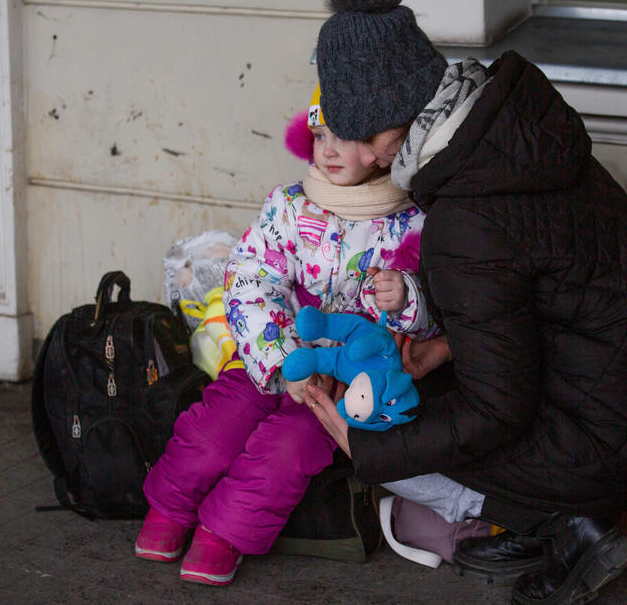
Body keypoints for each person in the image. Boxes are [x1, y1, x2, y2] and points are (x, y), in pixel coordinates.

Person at [304, 0, 627, 604]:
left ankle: (571, 527)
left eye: (362, 136)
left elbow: (497, 411)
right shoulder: (512, 130)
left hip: (615, 445)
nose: (368, 157)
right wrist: (453, 343)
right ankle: (555, 515)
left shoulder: (466, 220)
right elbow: (553, 297)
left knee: (389, 405)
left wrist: (369, 447)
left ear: (389, 122)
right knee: (428, 371)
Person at [133, 85, 438, 586]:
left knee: (288, 451)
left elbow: (437, 315)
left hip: (341, 381)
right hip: (270, 355)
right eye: (320, 135)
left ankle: (222, 533)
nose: (330, 149)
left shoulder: (409, 222)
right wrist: (277, 356)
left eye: (346, 136)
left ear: (381, 146)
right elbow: (250, 277)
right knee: (214, 428)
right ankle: (169, 507)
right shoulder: (292, 206)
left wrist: (407, 300)